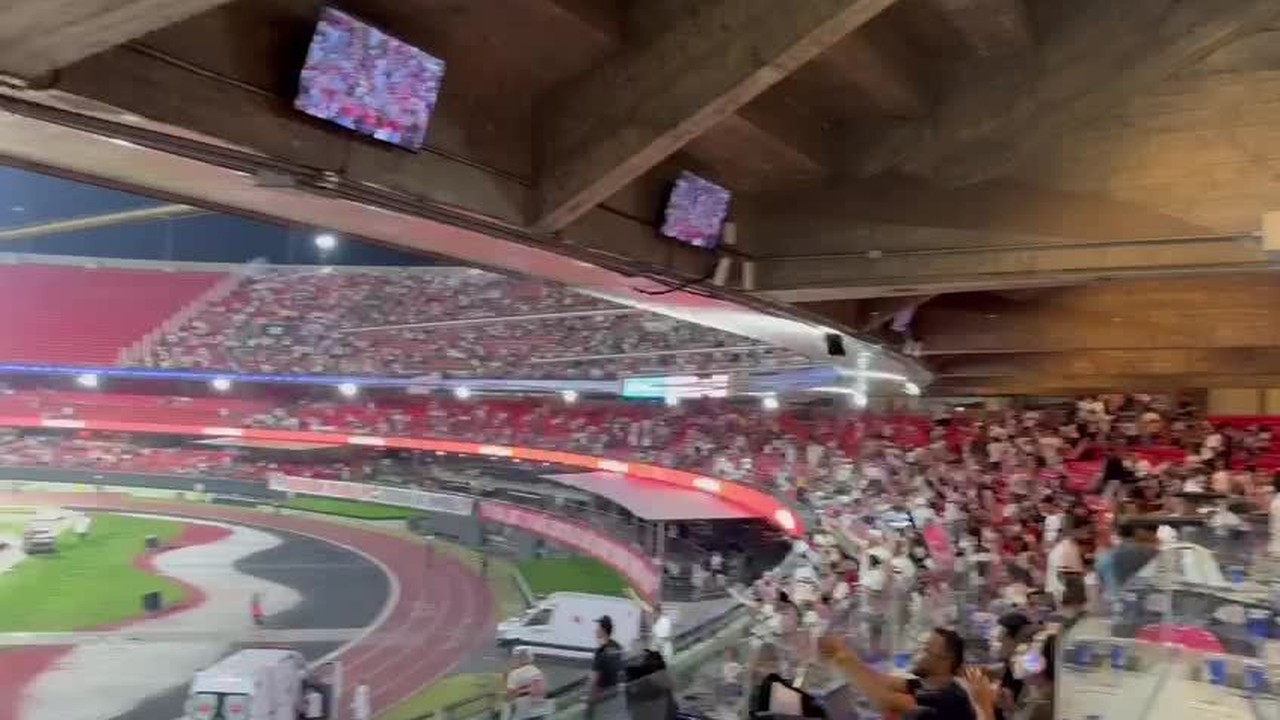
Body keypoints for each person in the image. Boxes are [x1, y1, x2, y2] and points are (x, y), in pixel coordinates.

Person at [819, 628, 976, 720]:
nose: (916, 652)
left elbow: (885, 702)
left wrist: (842, 658)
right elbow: (882, 680)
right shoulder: (929, 684)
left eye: (924, 649)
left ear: (945, 660)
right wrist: (847, 653)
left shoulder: (948, 699)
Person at [587, 615, 625, 719]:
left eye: (597, 627)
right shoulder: (618, 647)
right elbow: (620, 671)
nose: (595, 630)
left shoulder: (601, 651)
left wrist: (588, 695)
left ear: (603, 630)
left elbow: (594, 678)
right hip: (614, 692)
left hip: (602, 694)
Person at [506, 648, 550, 720]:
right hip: (539, 708)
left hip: (522, 710)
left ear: (518, 659)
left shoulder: (515, 673)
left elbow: (511, 693)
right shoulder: (537, 671)